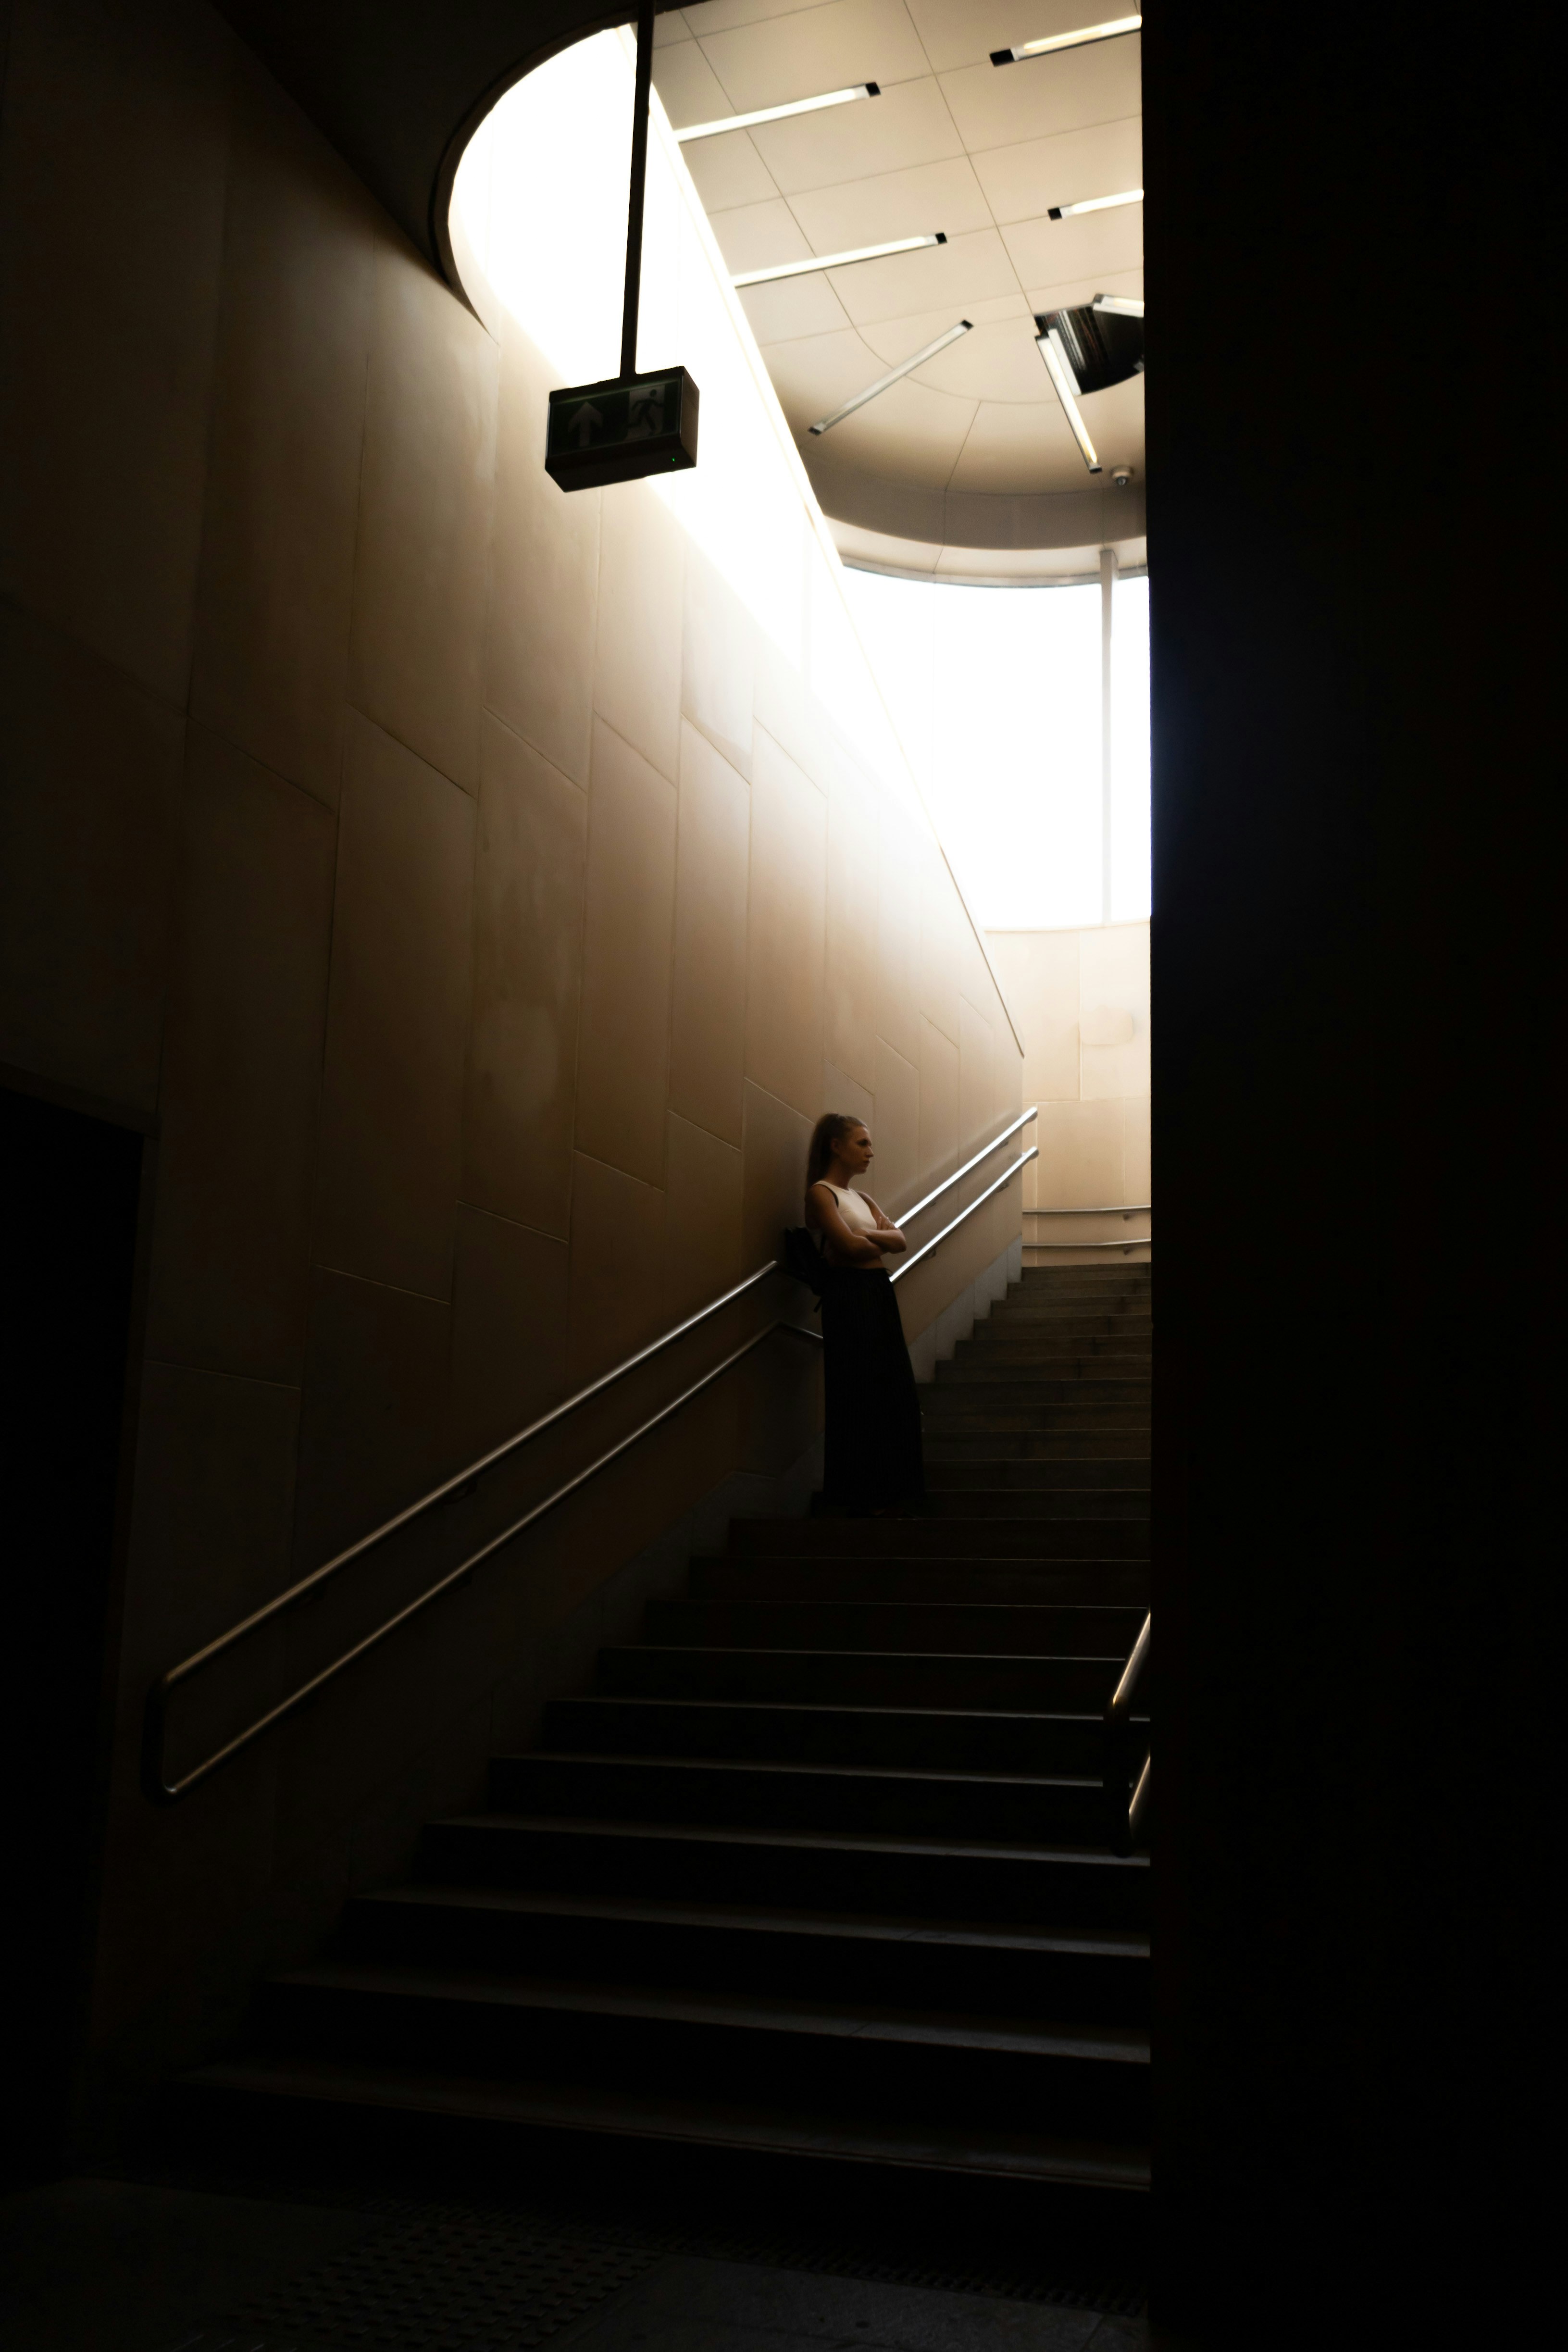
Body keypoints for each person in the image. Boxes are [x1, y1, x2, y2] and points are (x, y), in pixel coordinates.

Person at [804, 1112, 925, 1516]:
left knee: (893, 1385)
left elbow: (901, 1240)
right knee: (857, 1389)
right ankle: (857, 1493)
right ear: (836, 1146)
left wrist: (868, 1234)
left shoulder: (863, 1198)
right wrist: (878, 1240)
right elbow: (849, 1248)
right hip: (848, 1295)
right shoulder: (821, 1194)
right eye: (862, 1143)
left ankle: (894, 1488)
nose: (871, 1152)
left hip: (877, 1291)